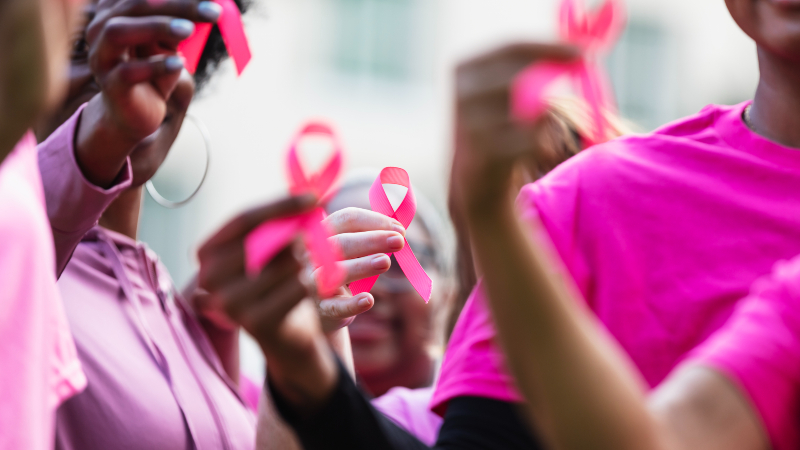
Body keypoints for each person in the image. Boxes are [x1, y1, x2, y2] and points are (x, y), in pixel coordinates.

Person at [43, 0, 408, 448]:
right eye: (83, 45)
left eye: (162, 45)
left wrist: (309, 340)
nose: (128, 68)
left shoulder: (178, 313)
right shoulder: (25, 263)